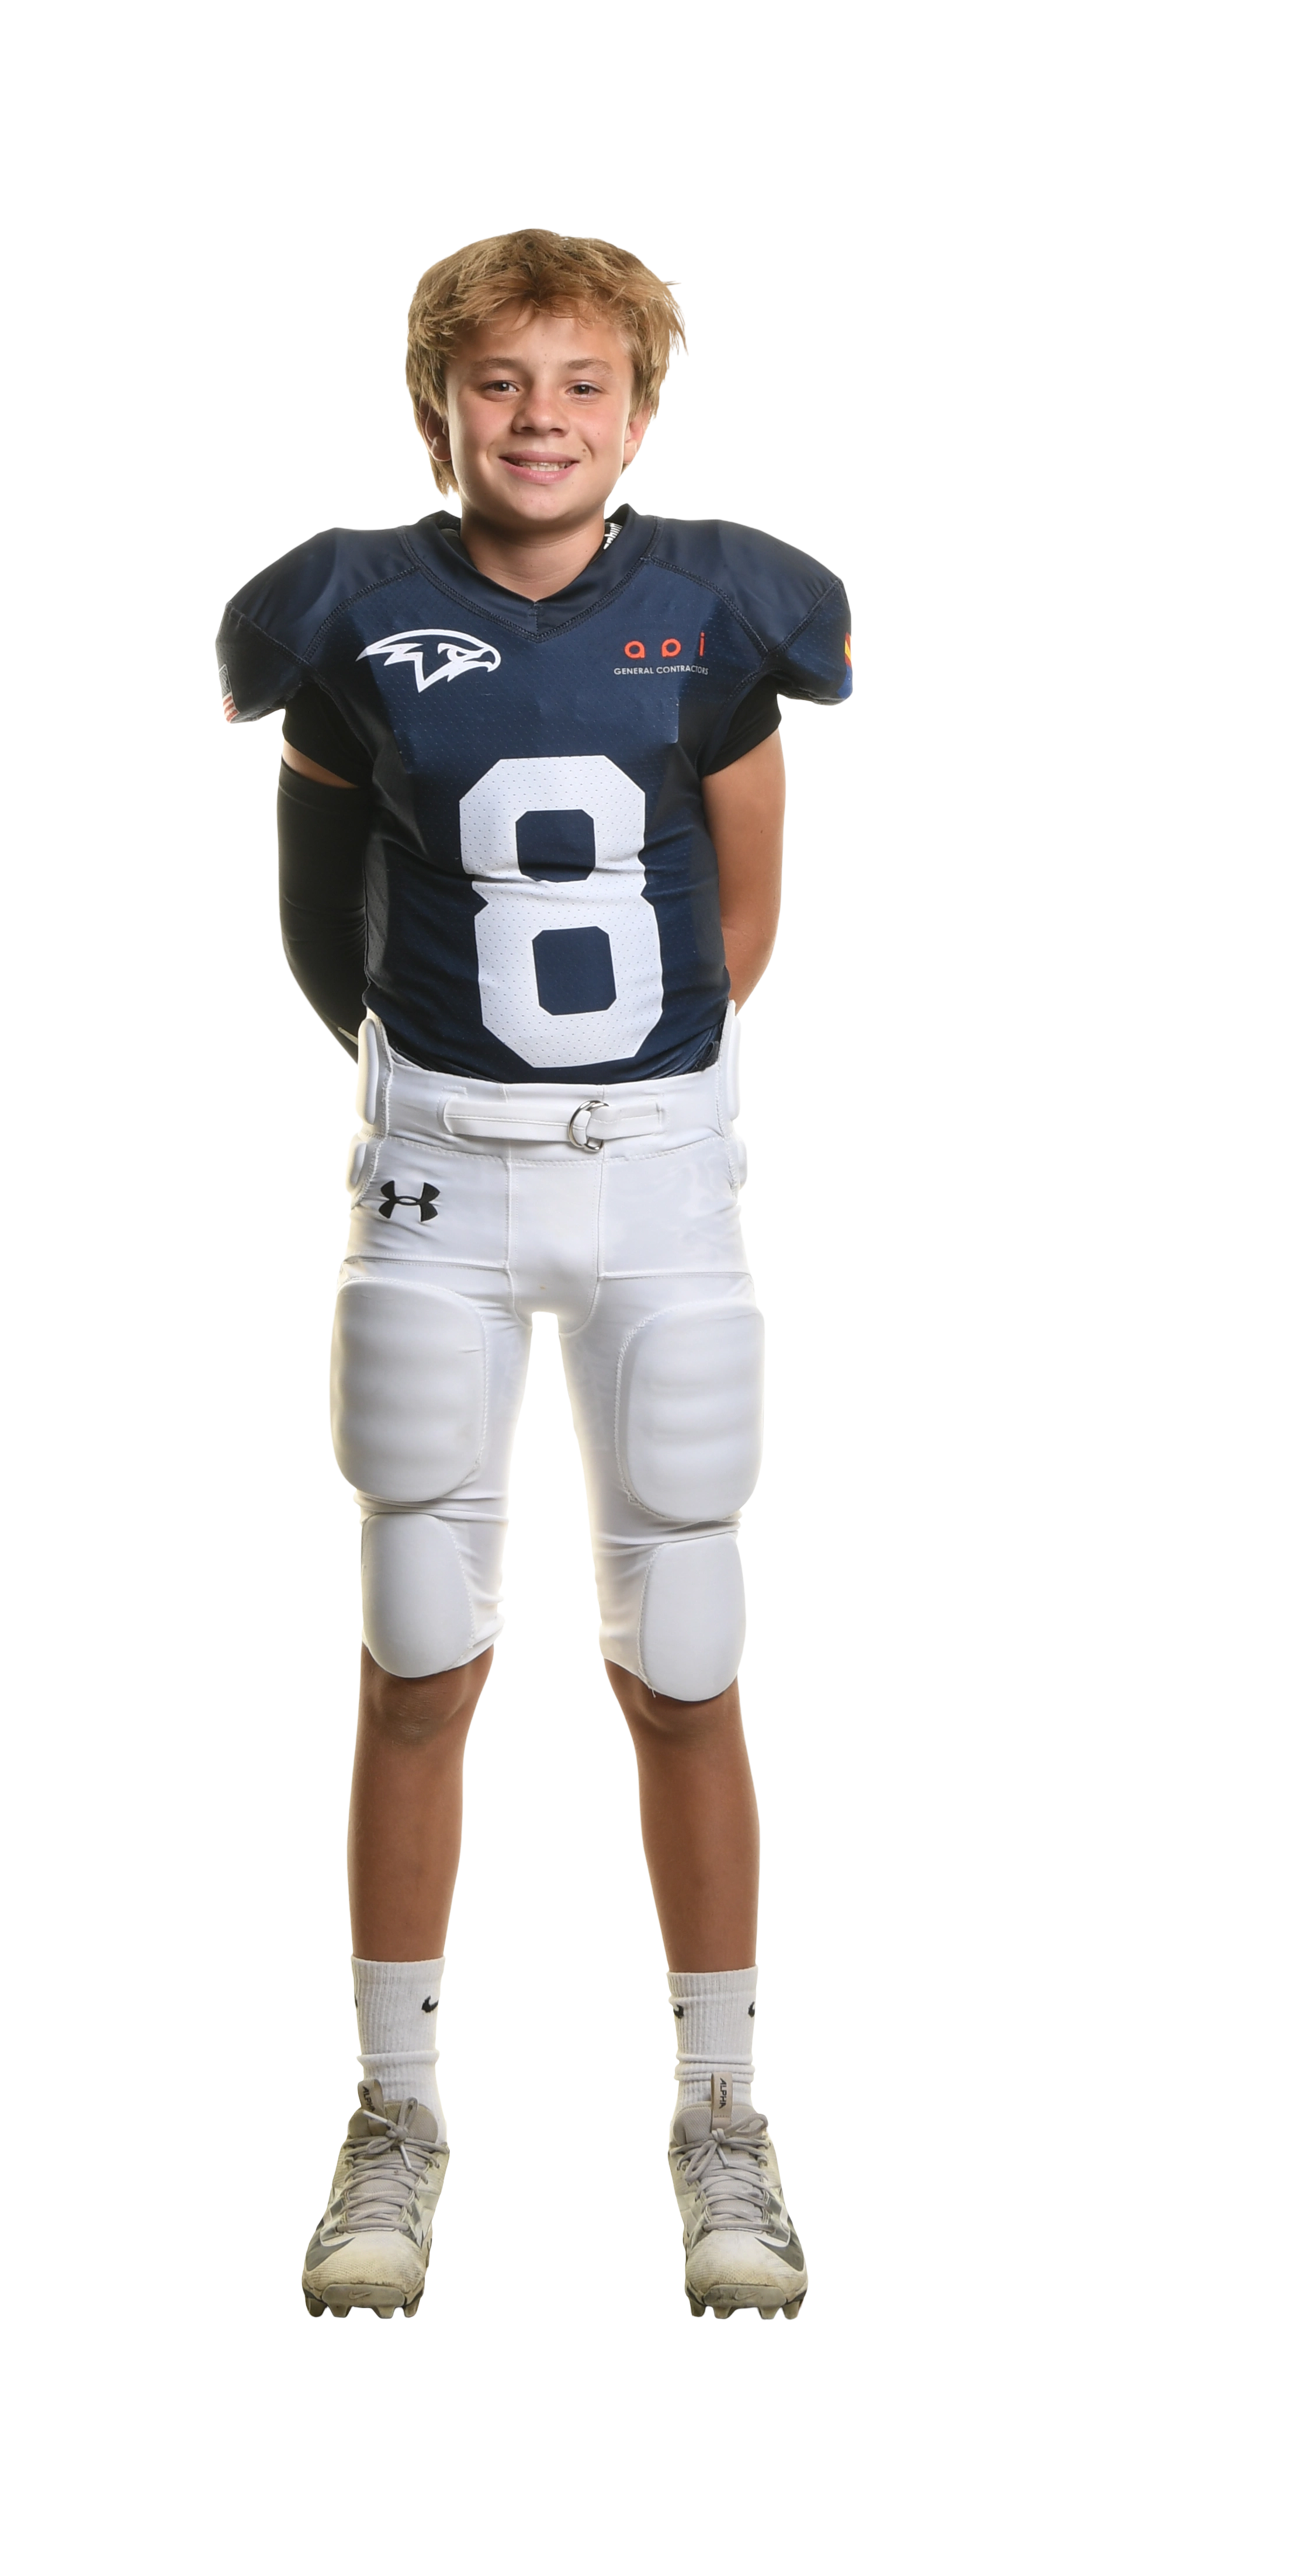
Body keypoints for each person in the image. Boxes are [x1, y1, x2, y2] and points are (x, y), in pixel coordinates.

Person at [216, 228, 851, 2320]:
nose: (542, 417)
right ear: (439, 406)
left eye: (584, 380)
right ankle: (396, 2121)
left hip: (657, 1178)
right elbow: (321, 923)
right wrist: (444, 1101)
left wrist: (625, 1108)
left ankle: (722, 2119)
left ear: (641, 407)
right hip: (437, 1185)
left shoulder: (725, 607)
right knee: (417, 1646)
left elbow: (738, 921)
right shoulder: (346, 611)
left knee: (688, 1647)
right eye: (500, 380)